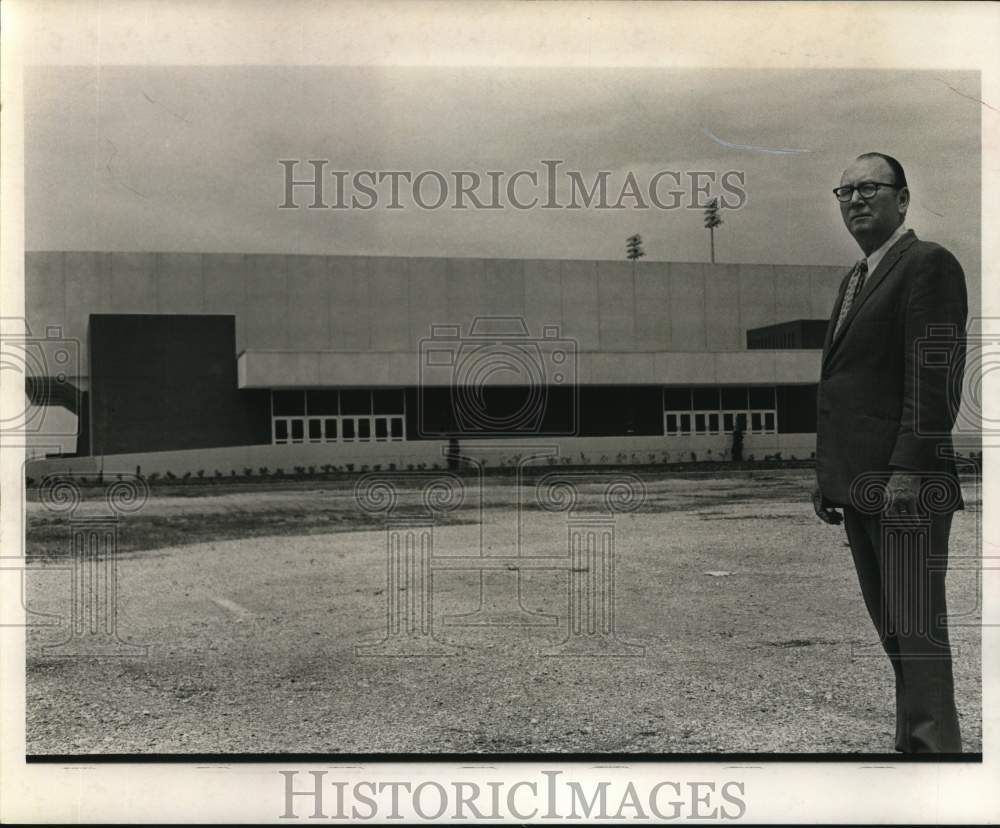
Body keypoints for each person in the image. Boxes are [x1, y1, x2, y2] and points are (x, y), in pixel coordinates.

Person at [812, 152, 967, 753]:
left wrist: (908, 469)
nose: (855, 199)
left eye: (869, 187)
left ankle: (937, 759)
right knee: (895, 630)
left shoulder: (927, 265)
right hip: (860, 486)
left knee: (917, 630)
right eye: (845, 190)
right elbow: (847, 388)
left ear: (903, 199)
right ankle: (916, 748)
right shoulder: (855, 279)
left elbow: (935, 377)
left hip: (906, 487)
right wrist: (829, 477)